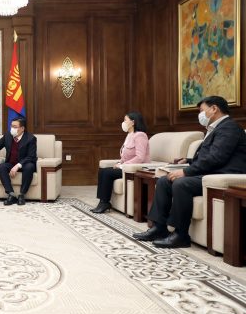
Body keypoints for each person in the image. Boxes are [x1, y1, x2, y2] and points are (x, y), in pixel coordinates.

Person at [133, 96, 246, 248]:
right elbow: (209, 157)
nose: (200, 115)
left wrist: (186, 172)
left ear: (214, 109)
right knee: (164, 181)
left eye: (202, 110)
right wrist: (188, 160)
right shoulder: (216, 128)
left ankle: (181, 235)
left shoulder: (229, 128)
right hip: (211, 172)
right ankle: (159, 227)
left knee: (181, 183)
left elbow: (216, 158)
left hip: (223, 174)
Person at [92, 112, 151, 213]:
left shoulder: (140, 136)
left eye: (125, 120)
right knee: (102, 171)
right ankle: (102, 201)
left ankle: (105, 202)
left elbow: (140, 157)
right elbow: (125, 155)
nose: (123, 122)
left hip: (135, 168)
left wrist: (122, 165)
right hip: (125, 166)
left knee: (107, 173)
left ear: (133, 122)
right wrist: (120, 162)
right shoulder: (129, 135)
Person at [0, 117, 37, 206]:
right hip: (11, 163)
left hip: (24, 164)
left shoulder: (30, 138)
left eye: (15, 127)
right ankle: (11, 195)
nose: (12, 129)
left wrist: (18, 166)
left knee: (30, 167)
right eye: (11, 126)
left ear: (22, 128)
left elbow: (31, 156)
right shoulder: (8, 135)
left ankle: (21, 195)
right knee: (1, 167)